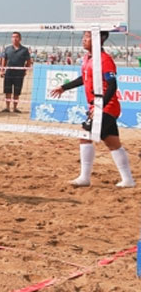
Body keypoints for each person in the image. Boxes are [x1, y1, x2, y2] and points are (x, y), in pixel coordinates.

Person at [50, 31, 135, 188]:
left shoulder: (105, 59)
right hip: (99, 107)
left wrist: (99, 106)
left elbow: (113, 85)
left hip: (107, 107)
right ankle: (128, 180)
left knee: (84, 135)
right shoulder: (87, 58)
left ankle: (85, 177)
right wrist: (64, 87)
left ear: (99, 39)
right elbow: (84, 78)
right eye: (84, 36)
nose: (84, 39)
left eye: (88, 36)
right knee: (112, 143)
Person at [0, 32, 31, 113]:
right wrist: (2, 70)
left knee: (17, 92)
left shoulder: (24, 50)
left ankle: (15, 108)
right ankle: (7, 107)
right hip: (8, 73)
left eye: (16, 37)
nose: (14, 38)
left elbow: (28, 61)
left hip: (19, 74)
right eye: (13, 37)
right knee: (8, 91)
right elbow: (4, 60)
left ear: (20, 39)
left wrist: (25, 70)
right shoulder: (7, 49)